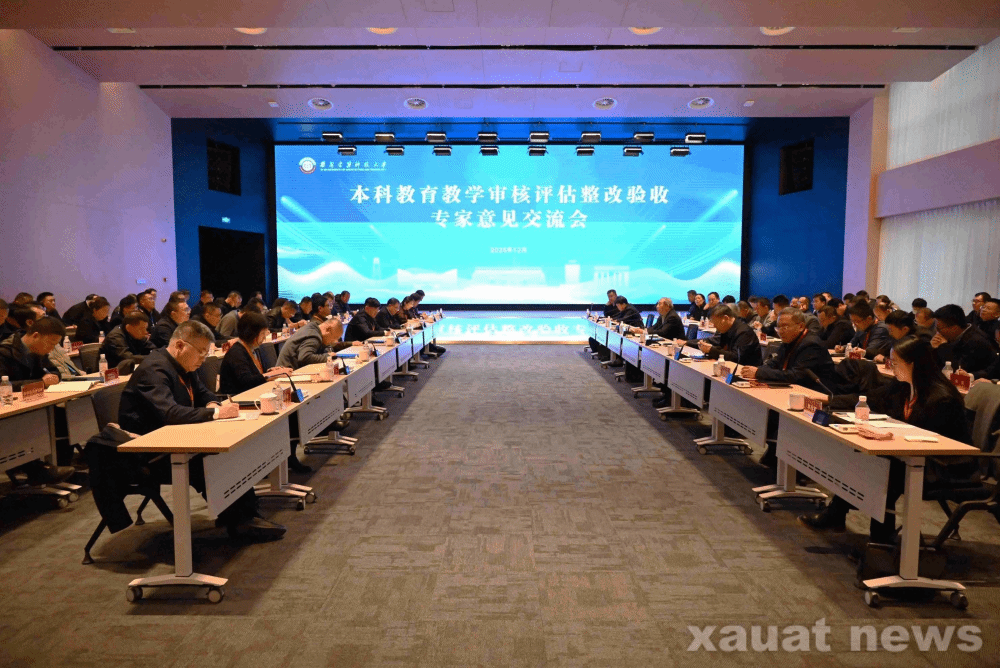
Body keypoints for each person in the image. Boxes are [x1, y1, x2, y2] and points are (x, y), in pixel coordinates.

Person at [117, 320, 284, 540]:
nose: (204, 358)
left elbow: (203, 393)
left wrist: (213, 404)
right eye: (201, 352)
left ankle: (242, 515)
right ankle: (240, 520)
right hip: (148, 453)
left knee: (231, 452)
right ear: (180, 345)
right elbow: (169, 413)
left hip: (176, 439)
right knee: (211, 460)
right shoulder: (154, 370)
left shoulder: (182, 364)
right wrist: (215, 413)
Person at [799, 337, 971, 543]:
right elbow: (870, 399)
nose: (891, 367)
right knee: (866, 462)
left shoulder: (941, 398)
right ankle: (862, 528)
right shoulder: (903, 386)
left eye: (895, 362)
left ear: (913, 364)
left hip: (944, 466)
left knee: (880, 469)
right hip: (907, 456)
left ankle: (874, 536)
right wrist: (829, 400)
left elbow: (932, 441)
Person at [0, 317, 77, 485]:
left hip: (34, 404)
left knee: (66, 419)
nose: (51, 349)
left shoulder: (38, 351)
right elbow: (3, 385)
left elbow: (54, 371)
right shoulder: (4, 352)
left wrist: (53, 377)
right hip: (12, 409)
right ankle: (38, 470)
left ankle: (57, 467)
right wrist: (40, 382)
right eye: (51, 343)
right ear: (35, 336)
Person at [740, 308, 840, 393]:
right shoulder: (789, 340)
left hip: (816, 394)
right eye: (778, 327)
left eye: (785, 327)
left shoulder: (811, 344)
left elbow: (796, 375)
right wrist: (757, 370)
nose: (780, 331)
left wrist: (759, 372)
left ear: (800, 326)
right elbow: (775, 362)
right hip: (796, 390)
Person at [680, 304, 763, 366]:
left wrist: (711, 350)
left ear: (726, 318)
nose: (714, 326)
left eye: (716, 323)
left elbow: (736, 357)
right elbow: (721, 347)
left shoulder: (744, 332)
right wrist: (708, 348)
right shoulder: (726, 329)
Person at [931, 304, 997, 375]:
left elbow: (958, 370)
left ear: (954, 328)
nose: (937, 332)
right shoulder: (956, 335)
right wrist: (933, 348)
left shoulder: (976, 341)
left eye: (939, 329)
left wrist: (943, 347)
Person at [276, 318, 355, 370]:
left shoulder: (314, 328)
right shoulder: (313, 336)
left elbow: (322, 348)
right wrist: (328, 356)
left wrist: (327, 353)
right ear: (328, 330)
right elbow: (305, 358)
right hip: (286, 374)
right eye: (334, 338)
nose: (334, 341)